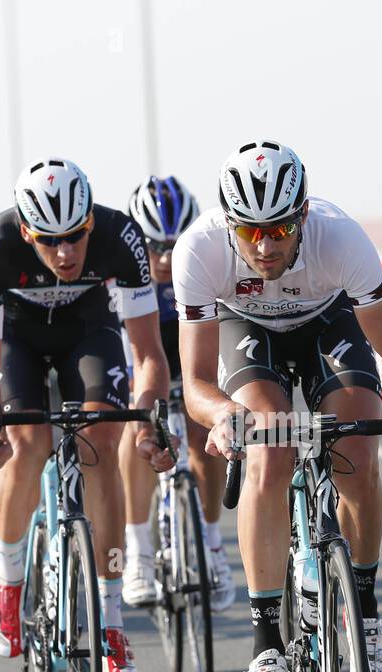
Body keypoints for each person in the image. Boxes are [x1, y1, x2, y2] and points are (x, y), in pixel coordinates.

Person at [173, 140, 382, 672]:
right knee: (268, 451)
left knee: (358, 443)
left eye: (279, 229)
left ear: (302, 215)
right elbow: (195, 382)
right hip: (245, 328)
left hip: (329, 319)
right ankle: (267, 648)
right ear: (228, 224)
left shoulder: (339, 238)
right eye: (250, 233)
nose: (266, 246)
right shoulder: (198, 249)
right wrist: (223, 416)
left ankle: (366, 619)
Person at [0, 157, 174, 672]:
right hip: (18, 341)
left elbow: (149, 354)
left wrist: (148, 418)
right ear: (26, 231)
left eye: (75, 237)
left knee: (102, 443)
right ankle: (9, 578)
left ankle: (109, 621)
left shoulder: (119, 235)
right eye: (49, 241)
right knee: (26, 443)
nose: (65, 253)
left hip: (88, 330)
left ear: (90, 223)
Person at [119, 175, 234, 612]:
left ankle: (211, 544)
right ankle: (139, 551)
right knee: (137, 422)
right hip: (140, 354)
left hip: (186, 349)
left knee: (204, 437)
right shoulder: (122, 273)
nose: (165, 259)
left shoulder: (204, 260)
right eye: (154, 247)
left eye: (175, 245)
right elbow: (126, 350)